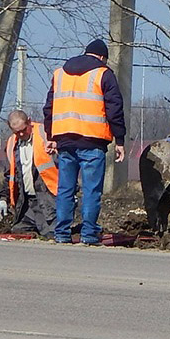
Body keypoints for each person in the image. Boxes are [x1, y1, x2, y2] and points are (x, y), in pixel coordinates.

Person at [43, 38, 126, 245]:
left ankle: (61, 234)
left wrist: (51, 136)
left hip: (65, 142)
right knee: (91, 190)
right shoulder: (103, 74)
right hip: (92, 141)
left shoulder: (59, 74)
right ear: (101, 57)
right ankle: (88, 235)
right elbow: (114, 108)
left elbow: (49, 108)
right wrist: (120, 140)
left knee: (65, 190)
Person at [0, 110, 58, 237]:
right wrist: (3, 199)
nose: (21, 134)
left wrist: (72, 192)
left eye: (23, 129)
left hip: (50, 200)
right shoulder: (12, 144)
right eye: (16, 132)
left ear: (29, 121)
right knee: (19, 231)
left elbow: (66, 166)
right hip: (27, 204)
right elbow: (10, 175)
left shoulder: (46, 135)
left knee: (51, 233)